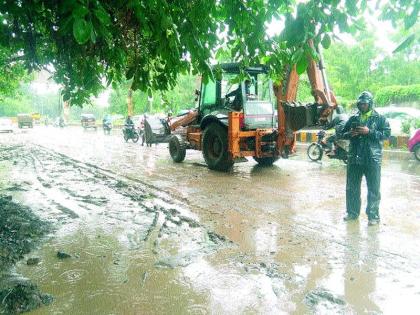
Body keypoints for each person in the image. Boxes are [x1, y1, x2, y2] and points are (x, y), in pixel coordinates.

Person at [340, 91, 391, 226]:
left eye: (365, 104)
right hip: (354, 159)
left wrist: (370, 132)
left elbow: (386, 134)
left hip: (372, 159)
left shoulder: (380, 118)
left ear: (370, 104)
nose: (362, 106)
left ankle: (373, 216)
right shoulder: (353, 118)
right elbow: (342, 134)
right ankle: (352, 213)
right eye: (360, 104)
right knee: (352, 187)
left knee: (374, 188)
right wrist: (350, 133)